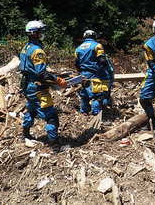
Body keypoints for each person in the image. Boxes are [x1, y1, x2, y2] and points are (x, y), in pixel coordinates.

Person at [19, 20, 67, 149]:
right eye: (41, 32)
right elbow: (42, 74)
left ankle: (25, 135)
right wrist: (57, 80)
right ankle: (55, 145)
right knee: (51, 116)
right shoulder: (37, 51)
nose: (42, 34)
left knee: (32, 110)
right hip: (37, 88)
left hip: (27, 85)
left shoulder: (26, 47)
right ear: (35, 33)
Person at [75, 30, 113, 116]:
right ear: (94, 36)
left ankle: (84, 111)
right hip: (95, 74)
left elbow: (76, 63)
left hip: (83, 74)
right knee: (98, 96)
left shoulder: (78, 49)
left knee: (85, 94)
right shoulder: (97, 46)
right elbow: (102, 60)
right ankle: (96, 114)